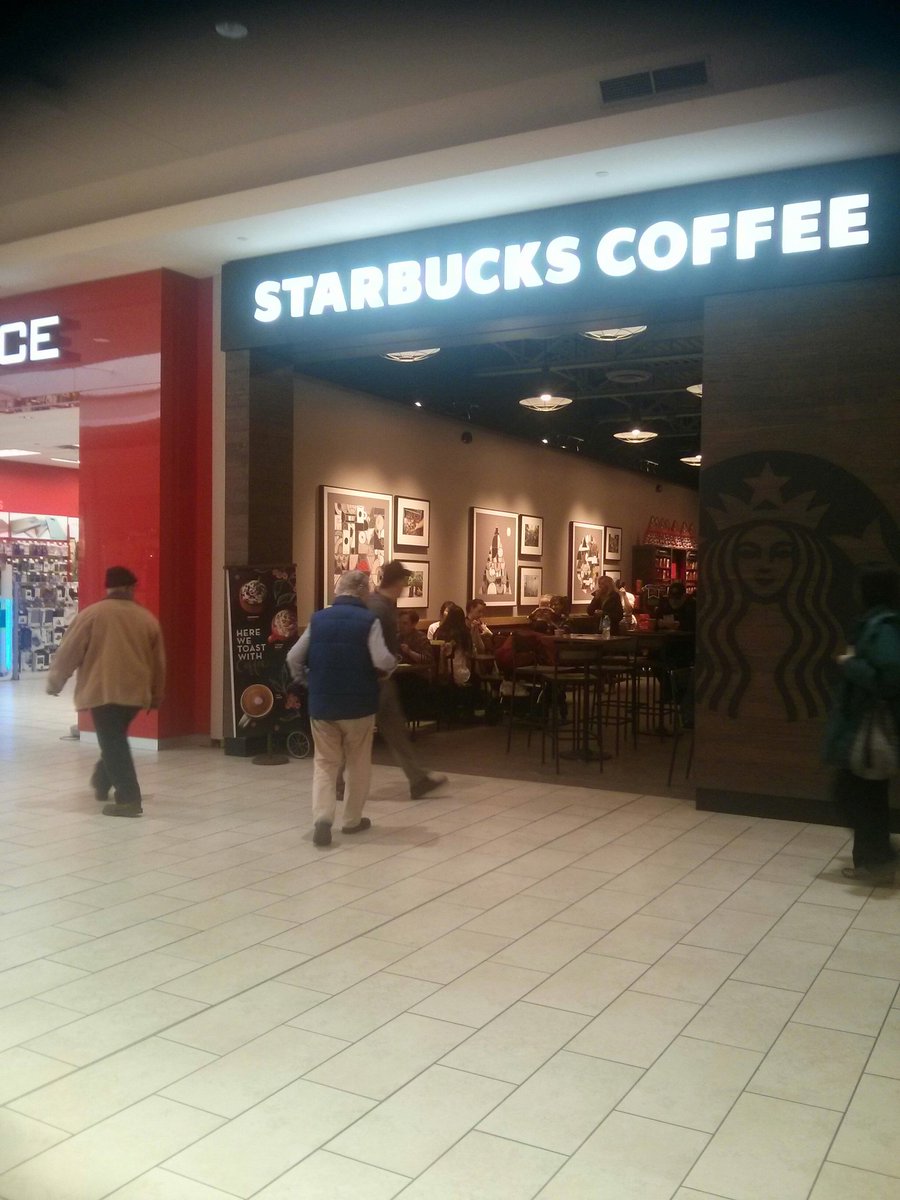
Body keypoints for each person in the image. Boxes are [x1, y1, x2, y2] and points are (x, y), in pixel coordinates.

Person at [46, 566, 165, 818]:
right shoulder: (146, 619)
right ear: (131, 588)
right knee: (115, 738)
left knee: (112, 741)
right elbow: (158, 662)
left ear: (108, 587)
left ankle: (129, 799)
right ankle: (102, 780)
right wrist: (156, 695)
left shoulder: (92, 615)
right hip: (135, 694)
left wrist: (55, 682)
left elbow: (69, 651)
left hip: (103, 691)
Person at [287, 570, 396, 847]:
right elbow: (383, 660)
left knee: (324, 763)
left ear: (338, 591)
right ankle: (352, 820)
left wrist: (306, 680)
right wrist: (391, 666)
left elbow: (293, 657)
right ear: (363, 592)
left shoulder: (318, 619)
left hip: (322, 705)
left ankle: (322, 819)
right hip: (359, 705)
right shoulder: (368, 620)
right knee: (358, 763)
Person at [824, 566, 900, 883]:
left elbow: (891, 677)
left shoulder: (881, 628)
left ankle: (880, 858)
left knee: (852, 793)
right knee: (868, 795)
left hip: (867, 726)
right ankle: (874, 861)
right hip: (864, 724)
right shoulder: (879, 624)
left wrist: (850, 664)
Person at [368, 561, 448, 799]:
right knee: (365, 734)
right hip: (377, 678)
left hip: (379, 677)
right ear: (398, 582)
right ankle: (340, 781)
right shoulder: (380, 608)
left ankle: (417, 778)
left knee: (391, 729)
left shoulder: (378, 604)